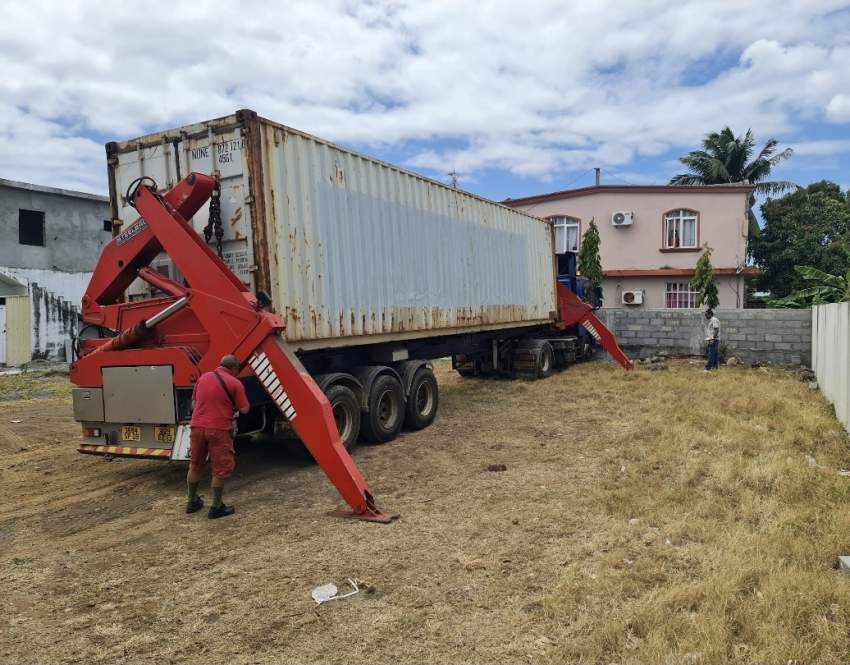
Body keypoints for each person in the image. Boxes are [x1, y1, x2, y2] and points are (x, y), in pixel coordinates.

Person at [186, 354, 250, 519]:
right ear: (234, 368)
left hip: (197, 427)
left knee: (195, 464)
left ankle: (192, 502)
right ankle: (216, 507)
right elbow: (244, 410)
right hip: (219, 429)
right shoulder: (235, 383)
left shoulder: (203, 377)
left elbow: (194, 404)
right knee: (221, 467)